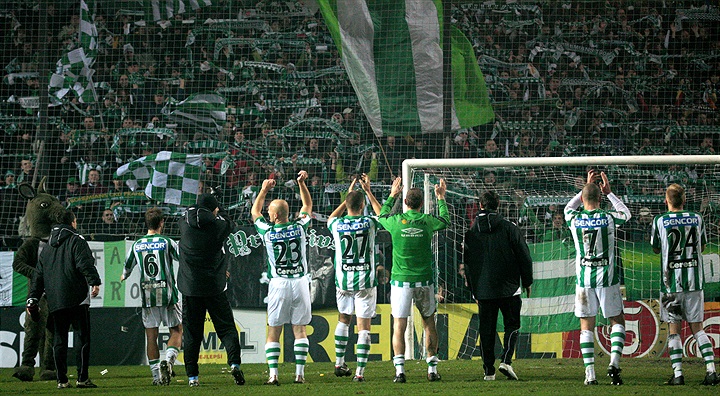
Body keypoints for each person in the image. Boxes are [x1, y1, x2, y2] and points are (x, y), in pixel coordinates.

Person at [377, 177, 450, 383]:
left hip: (401, 282)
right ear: (420, 204)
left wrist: (392, 195)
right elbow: (445, 221)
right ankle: (432, 369)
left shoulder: (394, 222)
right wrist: (441, 198)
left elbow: (381, 214)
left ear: (406, 203)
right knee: (429, 323)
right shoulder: (427, 221)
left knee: (399, 325)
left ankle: (400, 371)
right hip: (424, 281)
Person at [564, 170, 630, 386]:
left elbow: (568, 208)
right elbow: (626, 214)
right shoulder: (608, 218)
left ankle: (590, 374)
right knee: (617, 321)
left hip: (584, 281)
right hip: (608, 279)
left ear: (583, 199)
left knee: (586, 326)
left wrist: (585, 186)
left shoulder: (574, 219)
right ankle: (614, 364)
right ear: (600, 198)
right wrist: (610, 193)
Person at [651, 184, 718, 386]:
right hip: (694, 282)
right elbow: (703, 246)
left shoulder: (660, 220)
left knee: (674, 330)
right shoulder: (697, 218)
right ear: (684, 200)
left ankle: (678, 374)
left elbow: (655, 249)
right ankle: (711, 371)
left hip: (670, 284)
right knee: (698, 328)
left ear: (666, 200)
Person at [463, 190, 533, 381]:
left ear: (480, 205)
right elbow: (523, 255)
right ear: (499, 204)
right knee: (512, 324)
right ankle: (506, 360)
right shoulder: (509, 227)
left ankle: (488, 371)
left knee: (486, 329)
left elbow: (467, 264)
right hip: (509, 287)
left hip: (483, 289)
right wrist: (527, 281)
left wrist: (473, 289)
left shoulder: (471, 232)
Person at [27, 210, 101, 389]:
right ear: (73, 223)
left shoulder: (47, 247)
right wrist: (95, 282)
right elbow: (84, 263)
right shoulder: (77, 240)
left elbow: (38, 276)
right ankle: (82, 378)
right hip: (77, 297)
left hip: (55, 300)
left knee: (59, 339)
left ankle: (62, 380)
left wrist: (33, 297)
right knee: (82, 338)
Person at [251, 170, 313, 385]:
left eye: (270, 211)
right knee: (300, 329)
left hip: (278, 284)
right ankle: (299, 375)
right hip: (300, 282)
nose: (267, 213)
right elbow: (307, 207)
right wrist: (301, 184)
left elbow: (254, 212)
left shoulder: (268, 232)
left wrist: (263, 190)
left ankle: (273, 375)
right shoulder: (300, 227)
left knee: (274, 330)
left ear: (276, 215)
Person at [177, 193, 244, 387]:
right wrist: (218, 210)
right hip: (215, 287)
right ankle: (234, 363)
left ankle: (192, 377)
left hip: (190, 288)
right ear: (213, 210)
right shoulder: (218, 226)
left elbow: (193, 211)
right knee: (227, 329)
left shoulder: (184, 223)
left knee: (192, 334)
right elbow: (229, 223)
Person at [327, 174, 384, 382]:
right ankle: (359, 373)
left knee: (343, 319)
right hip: (365, 282)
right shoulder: (368, 223)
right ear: (362, 206)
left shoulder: (337, 225)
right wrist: (368, 191)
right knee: (364, 326)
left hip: (343, 281)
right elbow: (383, 215)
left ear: (347, 205)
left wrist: (346, 199)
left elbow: (330, 218)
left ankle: (339, 362)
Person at [121, 207, 183, 385]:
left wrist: (124, 275)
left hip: (148, 295)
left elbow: (126, 268)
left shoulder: (137, 244)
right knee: (177, 330)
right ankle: (169, 361)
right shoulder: (167, 242)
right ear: (162, 223)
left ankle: (156, 377)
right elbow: (182, 258)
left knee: (151, 336)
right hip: (168, 294)